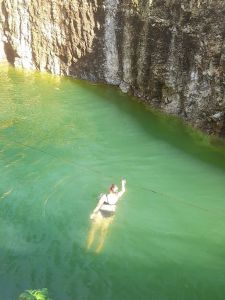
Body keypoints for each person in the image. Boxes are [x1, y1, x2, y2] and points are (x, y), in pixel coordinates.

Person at [87, 179, 126, 253]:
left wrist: (93, 213)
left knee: (93, 230)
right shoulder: (117, 196)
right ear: (116, 191)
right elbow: (123, 190)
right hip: (110, 215)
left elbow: (98, 206)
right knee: (103, 233)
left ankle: (88, 247)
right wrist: (123, 183)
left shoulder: (105, 196)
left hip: (101, 213)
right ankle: (98, 249)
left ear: (110, 189)